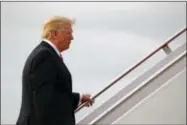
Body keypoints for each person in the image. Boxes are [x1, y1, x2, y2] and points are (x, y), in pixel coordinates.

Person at [16, 16, 94, 125]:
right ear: (54, 34)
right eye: (69, 33)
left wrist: (79, 98)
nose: (72, 38)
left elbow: (52, 94)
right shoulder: (44, 56)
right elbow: (45, 101)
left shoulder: (46, 54)